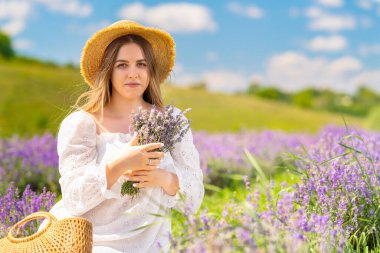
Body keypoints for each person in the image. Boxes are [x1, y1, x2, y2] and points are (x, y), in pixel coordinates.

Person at [44, 20, 204, 252]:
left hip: (151, 243)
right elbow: (74, 199)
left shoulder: (171, 121)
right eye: (121, 65)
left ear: (150, 70)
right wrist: (119, 164)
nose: (133, 73)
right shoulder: (83, 123)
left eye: (141, 64)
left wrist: (162, 178)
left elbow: (194, 198)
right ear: (107, 71)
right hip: (87, 240)